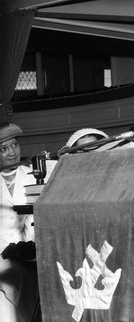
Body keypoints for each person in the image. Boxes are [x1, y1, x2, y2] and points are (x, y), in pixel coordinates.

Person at [0, 123, 39, 322]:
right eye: (3, 149)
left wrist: (28, 248)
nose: (12, 152)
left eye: (14, 145)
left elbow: (36, 218)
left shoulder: (34, 174)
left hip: (29, 253)